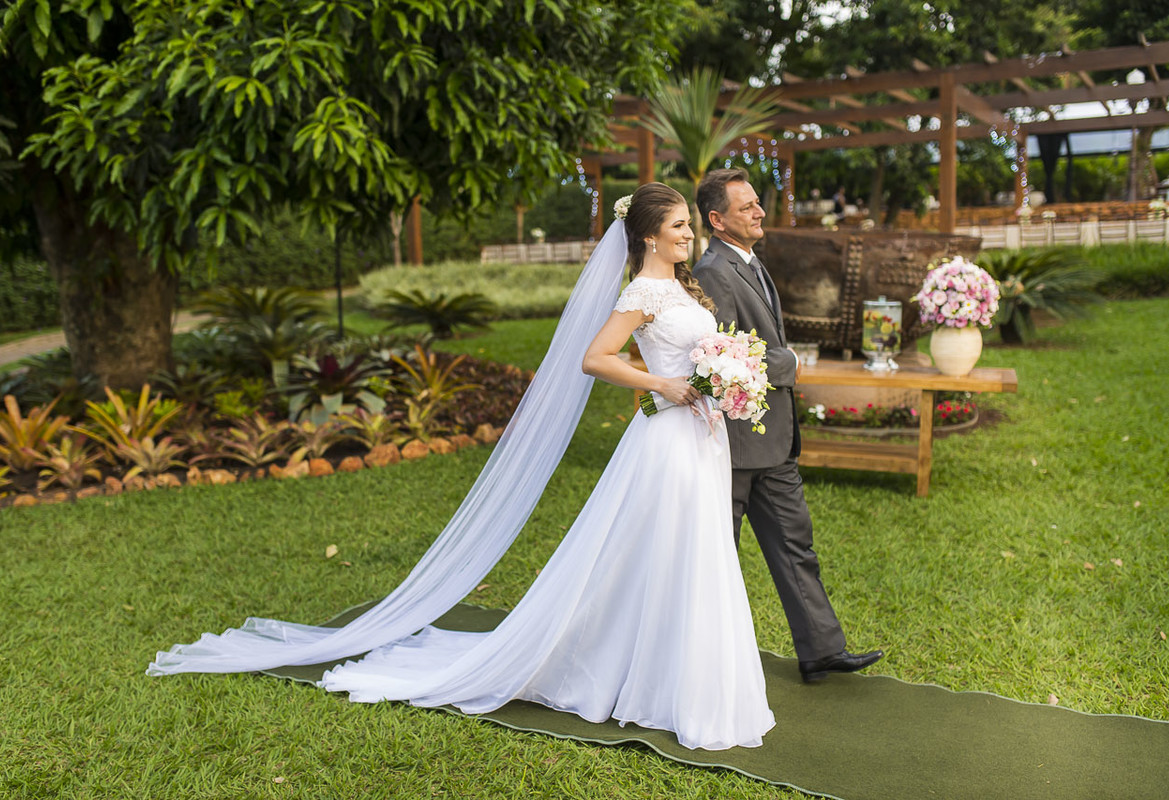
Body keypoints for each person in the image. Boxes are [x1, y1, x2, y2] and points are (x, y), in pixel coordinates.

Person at [148, 183, 775, 751]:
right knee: (662, 553)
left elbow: (703, 351)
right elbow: (594, 358)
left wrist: (727, 376)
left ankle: (676, 669)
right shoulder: (642, 291)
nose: (689, 236)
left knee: (690, 554)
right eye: (679, 228)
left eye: (690, 227)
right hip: (667, 442)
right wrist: (660, 382)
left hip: (703, 435)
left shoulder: (685, 286)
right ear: (646, 236)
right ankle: (636, 673)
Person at [691, 168, 883, 682]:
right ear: (717, 219)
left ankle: (822, 650)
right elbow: (722, 354)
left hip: (772, 441)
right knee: (719, 558)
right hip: (734, 441)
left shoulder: (751, 263)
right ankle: (708, 668)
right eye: (747, 206)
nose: (759, 211)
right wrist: (792, 364)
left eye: (757, 203)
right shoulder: (713, 271)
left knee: (796, 543)